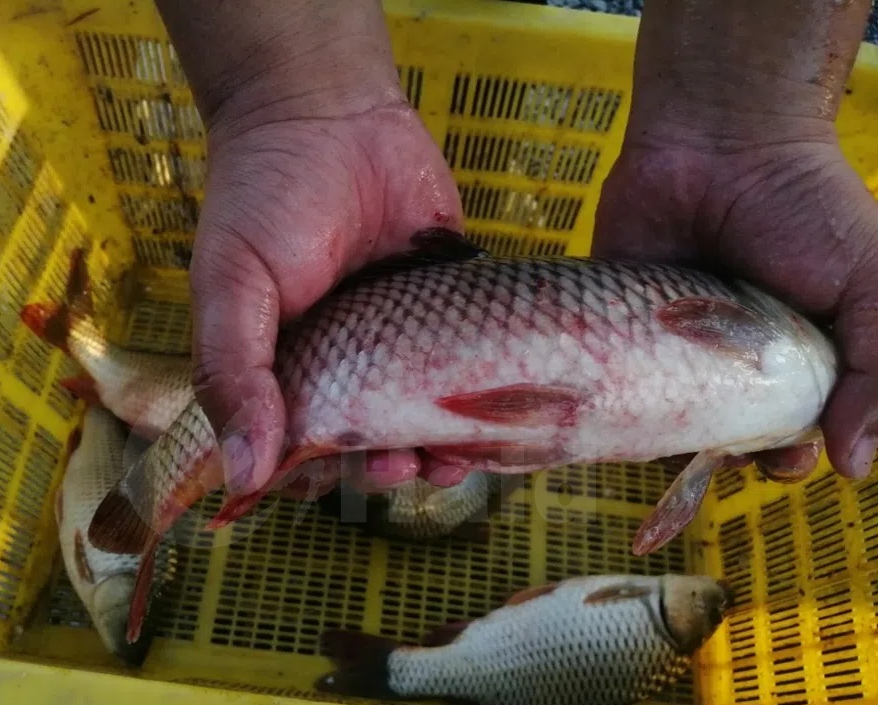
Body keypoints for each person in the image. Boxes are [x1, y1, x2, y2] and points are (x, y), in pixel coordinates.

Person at [151, 0, 878, 500]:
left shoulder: (784, 360)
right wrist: (290, 100)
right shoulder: (787, 342)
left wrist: (746, 125)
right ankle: (152, 492)